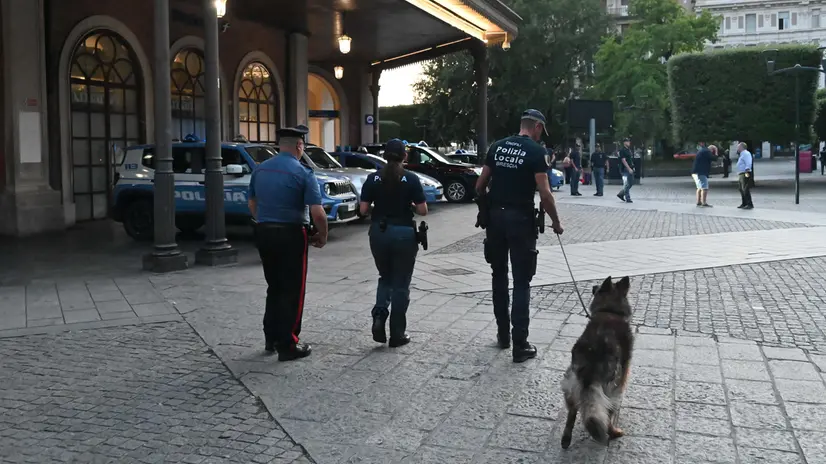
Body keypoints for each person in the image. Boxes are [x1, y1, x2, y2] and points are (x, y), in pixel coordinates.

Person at [475, 109, 564, 363]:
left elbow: (480, 186)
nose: (540, 135)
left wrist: (485, 210)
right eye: (541, 131)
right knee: (522, 281)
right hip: (521, 221)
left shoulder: (498, 147)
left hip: (495, 220)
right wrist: (556, 222)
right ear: (536, 127)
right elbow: (545, 194)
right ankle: (520, 344)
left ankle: (503, 335)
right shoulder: (536, 152)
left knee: (498, 275)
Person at [248, 125, 328, 361]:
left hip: (264, 231)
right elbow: (318, 212)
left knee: (274, 286)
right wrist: (322, 235)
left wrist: (263, 220)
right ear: (299, 146)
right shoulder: (303, 172)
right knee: (292, 289)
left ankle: (271, 337)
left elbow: (252, 203)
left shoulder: (260, 170)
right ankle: (288, 344)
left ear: (279, 146)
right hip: (291, 234)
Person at [359, 139, 428, 347]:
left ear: (384, 156)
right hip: (404, 234)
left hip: (379, 233)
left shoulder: (373, 178)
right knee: (401, 284)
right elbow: (423, 209)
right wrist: (411, 207)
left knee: (385, 277)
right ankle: (397, 334)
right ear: (404, 156)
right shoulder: (411, 178)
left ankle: (379, 315)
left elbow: (363, 210)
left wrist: (378, 210)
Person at [691, 142, 715, 207]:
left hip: (695, 172)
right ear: (712, 150)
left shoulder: (702, 151)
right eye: (713, 151)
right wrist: (716, 152)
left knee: (699, 187)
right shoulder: (707, 151)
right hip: (701, 172)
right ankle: (704, 202)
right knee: (705, 187)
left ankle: (699, 201)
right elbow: (714, 158)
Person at [616, 138, 635, 203]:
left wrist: (632, 167)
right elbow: (623, 160)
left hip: (630, 167)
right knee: (627, 183)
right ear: (624, 143)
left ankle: (621, 194)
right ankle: (628, 198)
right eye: (627, 141)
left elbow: (630, 159)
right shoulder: (622, 150)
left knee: (631, 183)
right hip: (625, 168)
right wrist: (629, 168)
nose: (629, 142)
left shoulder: (628, 150)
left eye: (629, 141)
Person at [736, 142, 754, 209]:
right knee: (741, 188)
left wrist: (747, 169)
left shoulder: (746, 154)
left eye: (738, 147)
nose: (737, 148)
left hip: (745, 172)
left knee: (745, 188)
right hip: (741, 173)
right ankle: (744, 203)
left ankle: (749, 204)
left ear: (741, 147)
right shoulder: (742, 154)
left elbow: (748, 162)